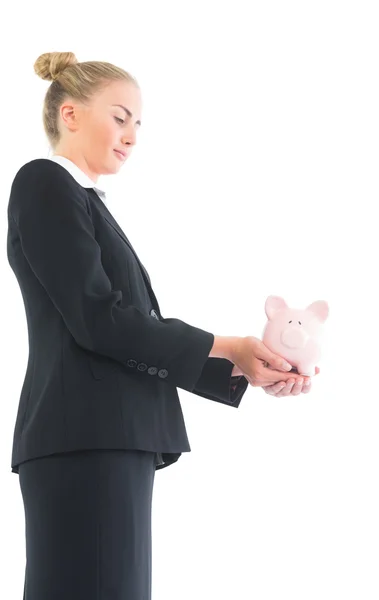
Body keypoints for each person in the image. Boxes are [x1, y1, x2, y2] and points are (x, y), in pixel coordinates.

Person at [6, 51, 313, 600]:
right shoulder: (44, 182)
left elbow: (126, 326)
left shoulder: (83, 202)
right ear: (70, 114)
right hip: (86, 440)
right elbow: (100, 321)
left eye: (139, 124)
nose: (132, 135)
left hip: (103, 440)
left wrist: (244, 364)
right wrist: (229, 346)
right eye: (120, 117)